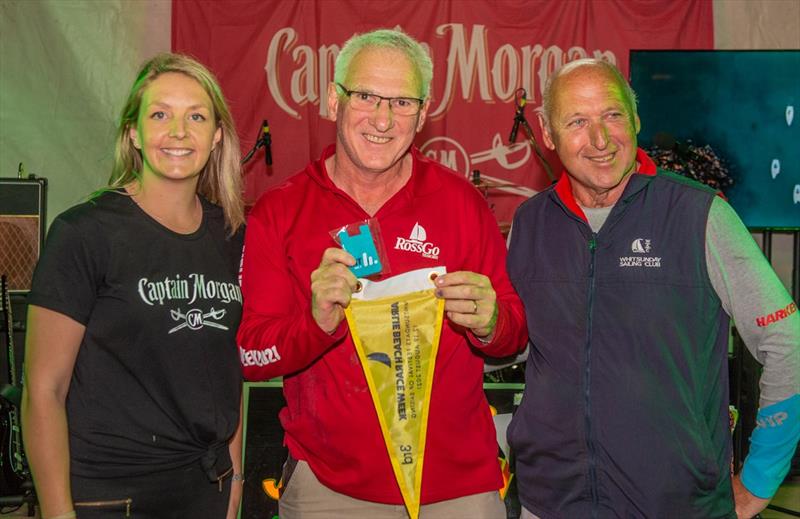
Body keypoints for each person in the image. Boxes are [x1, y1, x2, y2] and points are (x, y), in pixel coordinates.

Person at [237, 28, 527, 518]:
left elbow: (513, 336)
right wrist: (315, 324)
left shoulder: (463, 205)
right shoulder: (278, 211)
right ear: (334, 99)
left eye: (402, 102)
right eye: (366, 96)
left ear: (423, 112)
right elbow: (251, 353)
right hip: (330, 492)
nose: (383, 118)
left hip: (458, 492)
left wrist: (492, 320)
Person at [507, 58, 799, 518]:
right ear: (547, 132)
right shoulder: (530, 223)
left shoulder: (699, 214)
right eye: (578, 121)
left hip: (675, 506)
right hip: (549, 504)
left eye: (613, 115)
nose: (600, 140)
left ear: (637, 118)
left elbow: (788, 340)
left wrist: (761, 476)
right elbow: (520, 345)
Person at [22, 53, 246, 519]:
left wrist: (235, 480)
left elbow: (229, 368)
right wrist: (57, 513)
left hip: (207, 486)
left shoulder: (232, 233)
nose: (179, 131)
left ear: (217, 135)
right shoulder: (85, 232)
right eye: (160, 114)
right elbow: (44, 388)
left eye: (197, 116)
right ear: (133, 132)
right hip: (110, 495)